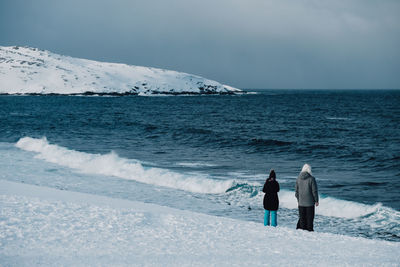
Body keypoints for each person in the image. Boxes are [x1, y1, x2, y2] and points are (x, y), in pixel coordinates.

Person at [295, 163, 319, 231]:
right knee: (310, 220)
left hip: (301, 203)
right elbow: (314, 191)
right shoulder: (312, 179)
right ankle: (310, 234)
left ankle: (302, 234)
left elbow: (296, 192)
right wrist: (316, 200)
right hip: (310, 203)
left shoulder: (298, 178)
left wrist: (299, 200)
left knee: (302, 220)